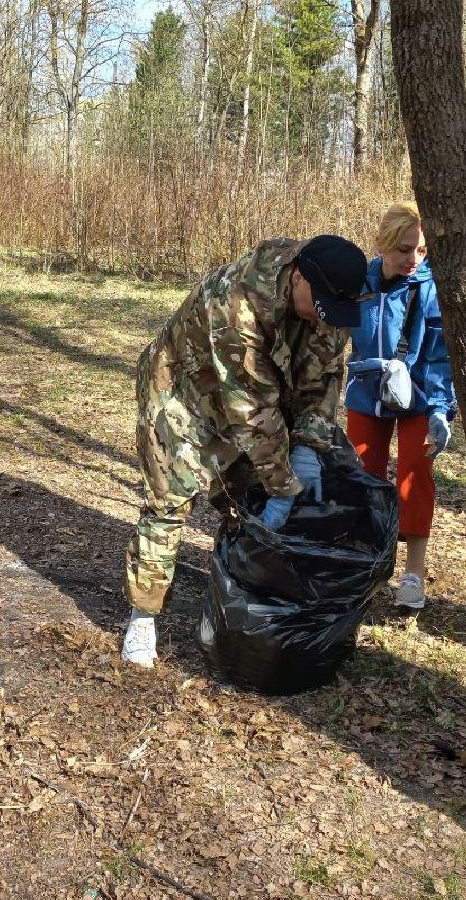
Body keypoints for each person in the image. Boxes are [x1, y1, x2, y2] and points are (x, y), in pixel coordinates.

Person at [122, 235, 370, 666]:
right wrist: (282, 484)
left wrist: (309, 448)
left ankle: (237, 587)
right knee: (170, 502)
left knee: (247, 500)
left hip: (256, 403)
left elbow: (323, 380)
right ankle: (143, 617)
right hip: (184, 395)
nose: (325, 318)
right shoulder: (237, 301)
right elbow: (252, 409)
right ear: (298, 277)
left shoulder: (331, 298)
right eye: (321, 306)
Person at [343, 201, 455, 611]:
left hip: (419, 397)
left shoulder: (430, 289)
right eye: (405, 249)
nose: (414, 259)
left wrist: (440, 409)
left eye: (421, 250)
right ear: (385, 245)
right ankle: (366, 561)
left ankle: (413, 573)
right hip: (367, 394)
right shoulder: (361, 282)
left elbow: (442, 354)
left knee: (414, 474)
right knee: (361, 475)